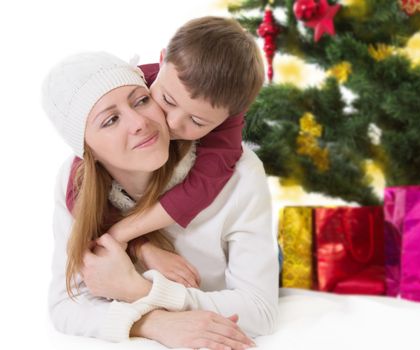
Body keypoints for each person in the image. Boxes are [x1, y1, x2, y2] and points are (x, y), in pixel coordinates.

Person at [43, 51, 278, 349]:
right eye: (111, 120)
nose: (139, 122)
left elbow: (260, 311)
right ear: (88, 150)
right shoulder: (76, 182)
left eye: (141, 100)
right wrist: (154, 324)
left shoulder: (240, 173)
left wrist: (139, 290)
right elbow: (66, 304)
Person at [64, 17, 266, 289]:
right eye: (167, 100)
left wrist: (123, 232)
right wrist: (143, 247)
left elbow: (199, 189)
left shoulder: (235, 152)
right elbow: (81, 189)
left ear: (229, 119)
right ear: (161, 60)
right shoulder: (129, 85)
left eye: (196, 122)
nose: (172, 123)